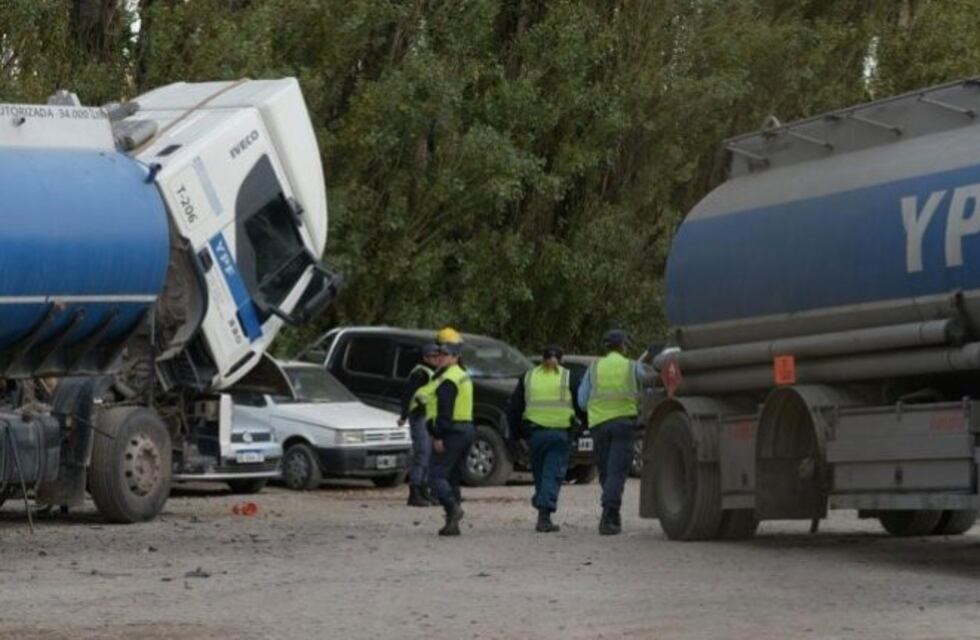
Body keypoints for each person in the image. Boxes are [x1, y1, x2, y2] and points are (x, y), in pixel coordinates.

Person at [578, 329, 653, 535]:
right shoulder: (632, 366)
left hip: (598, 425)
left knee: (606, 473)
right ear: (623, 346)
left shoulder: (594, 368)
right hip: (623, 425)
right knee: (616, 472)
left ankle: (612, 513)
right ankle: (608, 516)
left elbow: (582, 401)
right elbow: (651, 385)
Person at [507, 344, 581, 532]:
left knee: (540, 474)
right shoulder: (568, 377)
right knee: (552, 474)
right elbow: (581, 405)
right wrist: (582, 427)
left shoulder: (529, 376)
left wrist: (515, 435)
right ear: (561, 359)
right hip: (559, 434)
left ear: (542, 359)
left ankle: (541, 500)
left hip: (535, 434)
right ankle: (544, 516)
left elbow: (514, 407)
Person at [418, 341, 475, 536]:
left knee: (436, 476)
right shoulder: (462, 374)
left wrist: (438, 435)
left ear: (455, 357)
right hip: (465, 428)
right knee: (452, 477)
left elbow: (445, 411)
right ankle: (452, 524)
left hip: (451, 430)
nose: (440, 357)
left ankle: (453, 509)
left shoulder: (449, 379)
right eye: (439, 354)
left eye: (445, 354)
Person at [398, 343, 441, 507]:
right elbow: (408, 395)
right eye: (433, 356)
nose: (437, 359)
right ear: (425, 358)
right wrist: (403, 415)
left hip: (429, 416)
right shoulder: (420, 373)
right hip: (419, 416)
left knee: (428, 455)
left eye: (438, 356)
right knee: (422, 454)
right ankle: (415, 492)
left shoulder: (433, 372)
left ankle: (424, 491)